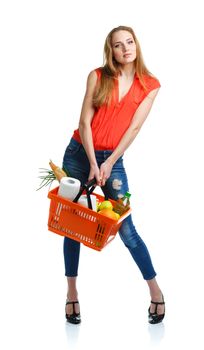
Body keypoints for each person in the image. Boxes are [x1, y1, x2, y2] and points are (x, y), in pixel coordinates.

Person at [62, 25, 165, 325]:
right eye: (118, 45)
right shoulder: (97, 76)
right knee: (72, 223)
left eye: (129, 42)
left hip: (113, 159)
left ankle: (156, 292)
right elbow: (84, 123)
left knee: (127, 229)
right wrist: (95, 164)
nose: (125, 49)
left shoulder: (150, 85)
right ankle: (72, 295)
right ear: (111, 51)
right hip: (81, 153)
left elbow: (134, 128)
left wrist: (109, 164)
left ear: (137, 44)